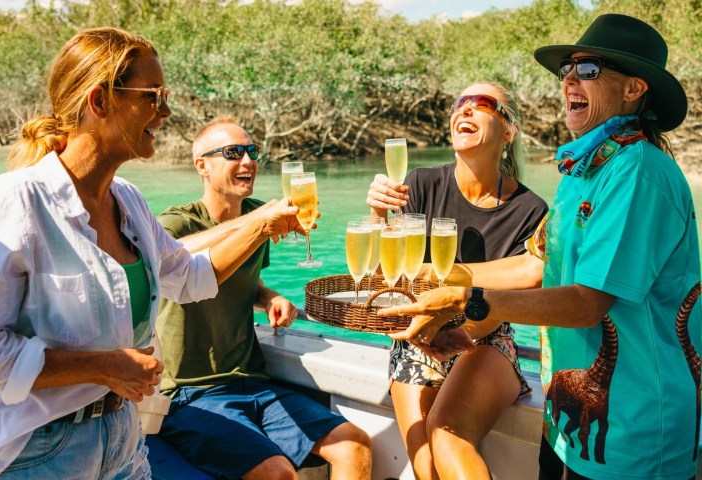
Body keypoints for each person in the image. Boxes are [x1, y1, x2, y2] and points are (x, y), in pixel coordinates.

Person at [379, 14, 700, 480]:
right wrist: (441, 277)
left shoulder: (638, 172)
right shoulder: (582, 170)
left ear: (633, 89)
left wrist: (467, 302)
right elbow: (536, 263)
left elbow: (588, 303)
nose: (569, 78)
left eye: (588, 70)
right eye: (567, 69)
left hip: (633, 431)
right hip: (568, 423)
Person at [0, 28, 301, 479]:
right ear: (100, 102)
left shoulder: (127, 200)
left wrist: (262, 226)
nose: (166, 111)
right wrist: (102, 366)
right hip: (38, 450)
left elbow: (188, 278)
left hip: (123, 438)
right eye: (153, 96)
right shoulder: (15, 202)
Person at [155, 116, 373, 480]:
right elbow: (166, 257)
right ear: (202, 166)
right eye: (233, 152)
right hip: (189, 395)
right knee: (278, 474)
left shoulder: (260, 214)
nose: (248, 160)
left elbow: (246, 282)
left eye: (252, 151)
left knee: (355, 445)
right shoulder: (179, 221)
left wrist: (270, 296)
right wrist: (254, 223)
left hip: (254, 382)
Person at [366, 82, 548, 479]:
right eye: (458, 104)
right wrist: (378, 218)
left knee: (448, 435)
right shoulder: (419, 184)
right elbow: (391, 280)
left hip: (487, 337)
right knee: (427, 467)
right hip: (417, 337)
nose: (464, 110)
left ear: (508, 130)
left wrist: (455, 324)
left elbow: (513, 297)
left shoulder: (531, 210)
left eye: (480, 103)